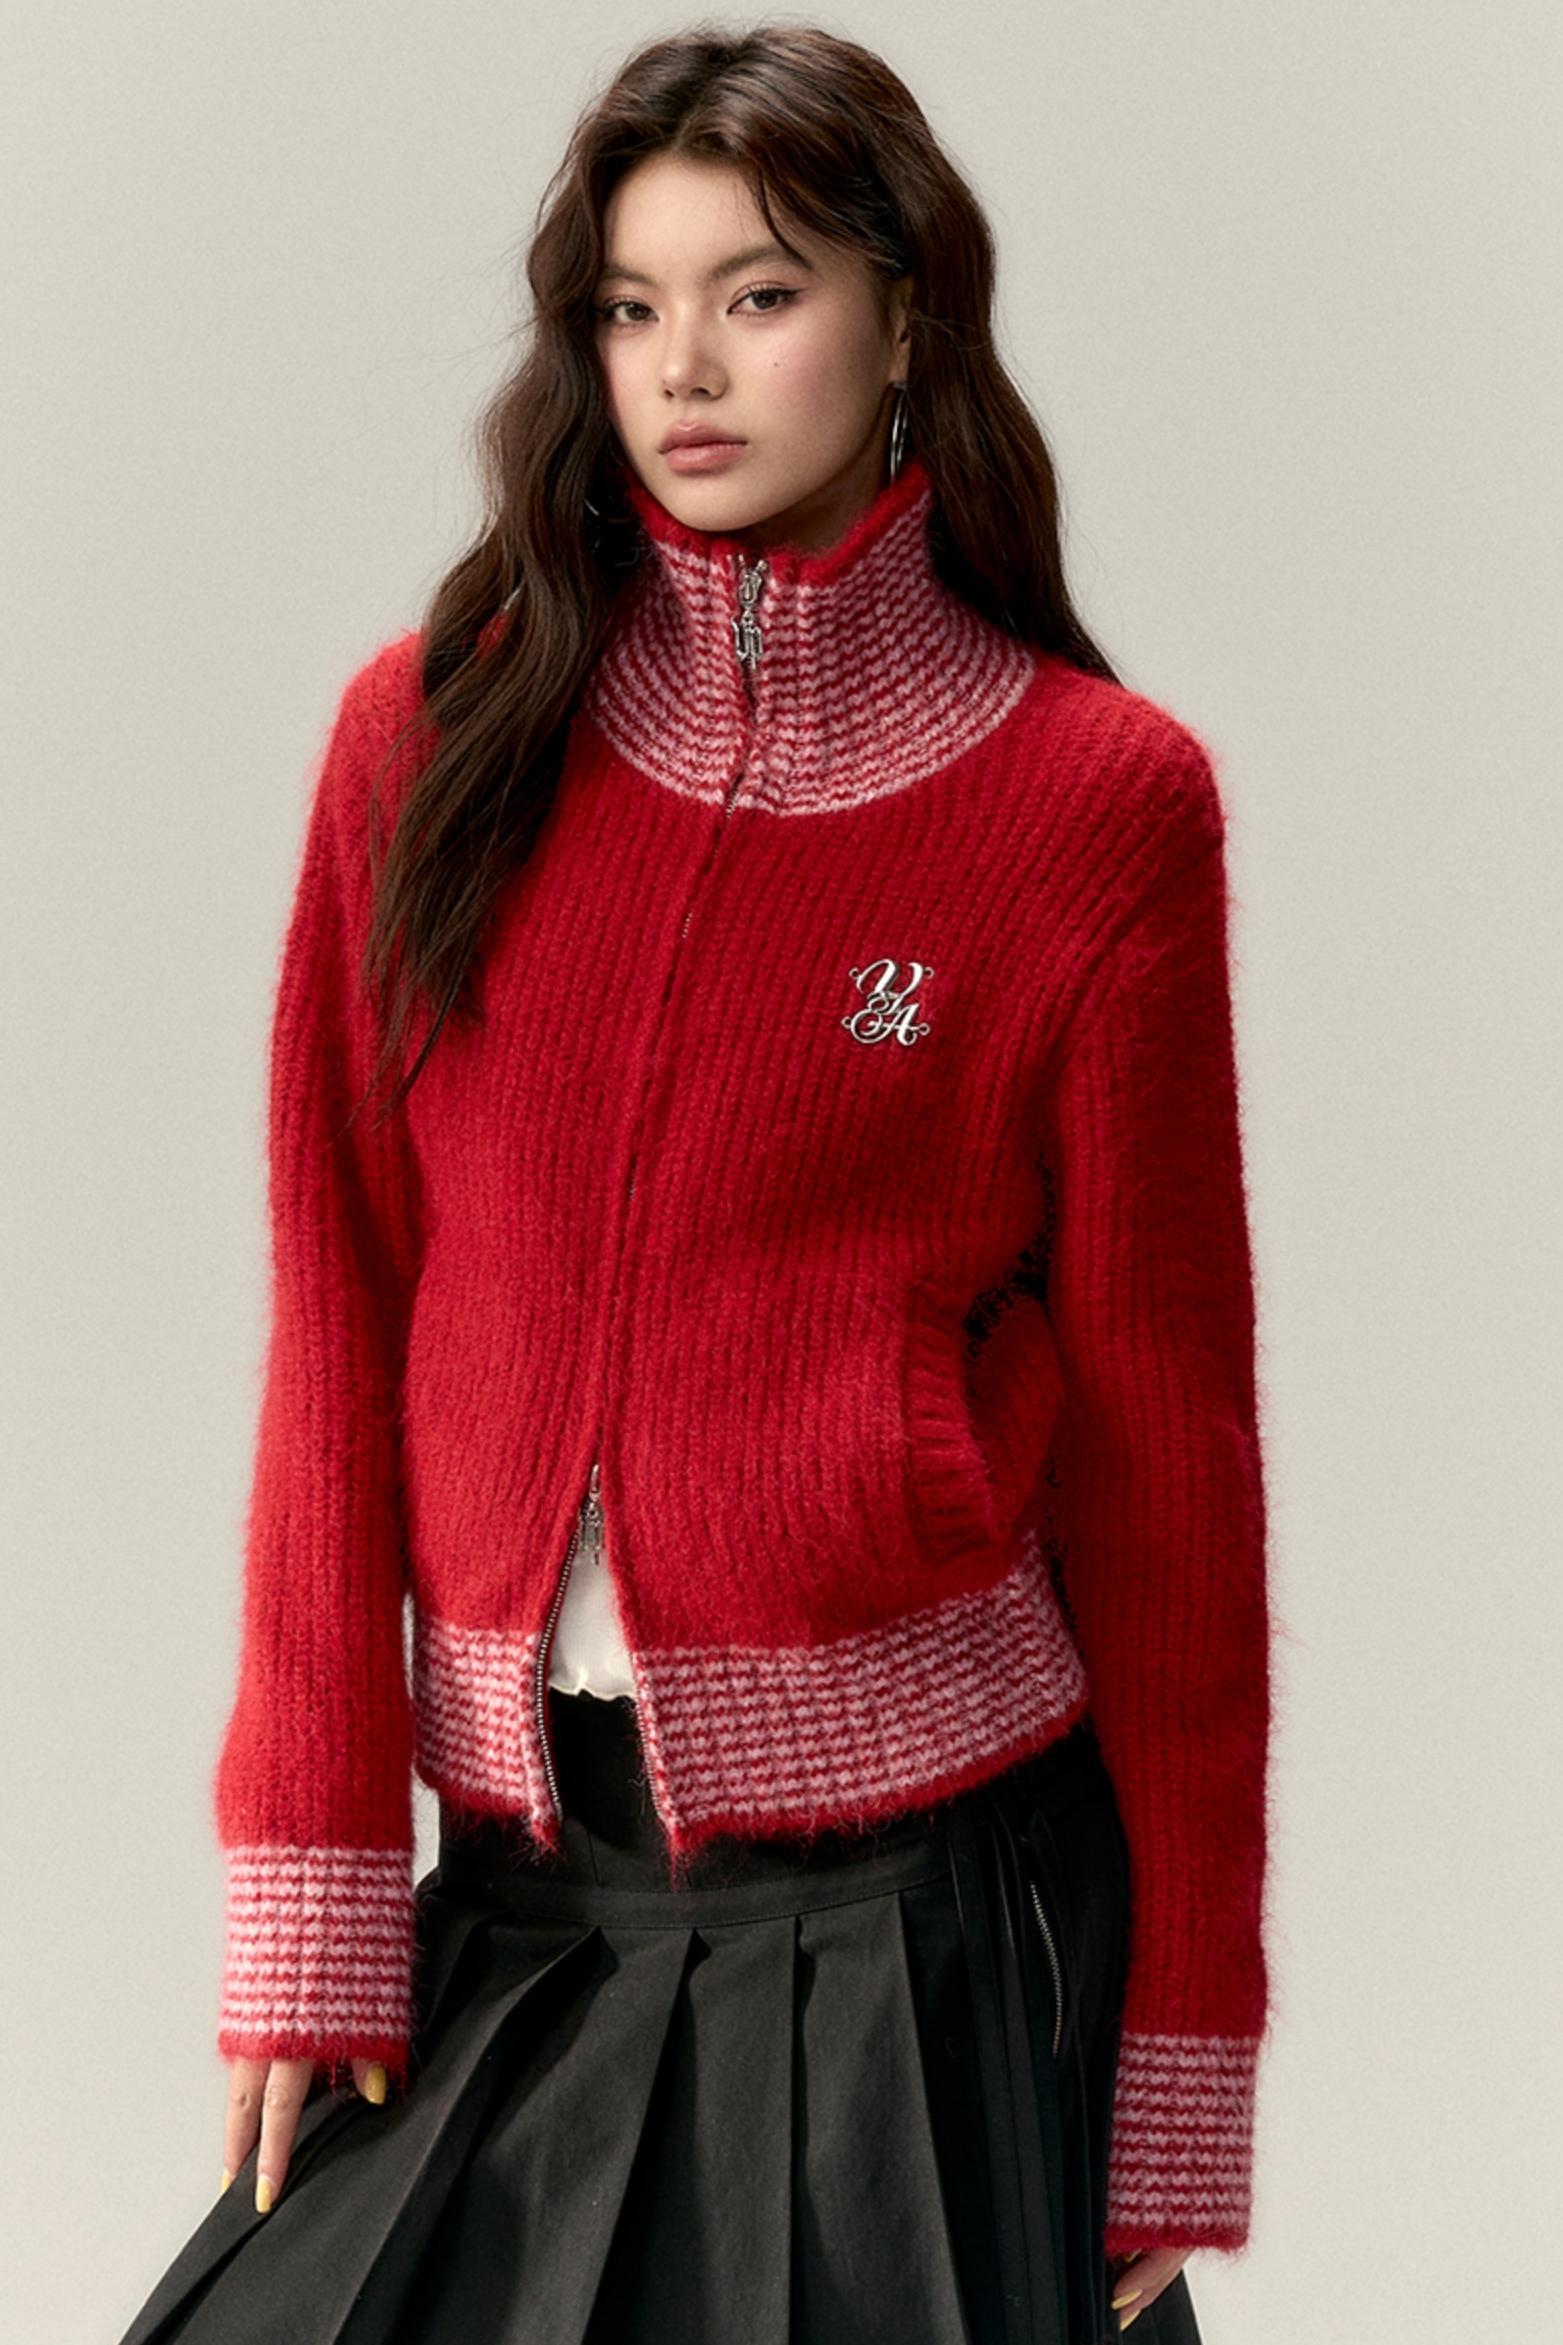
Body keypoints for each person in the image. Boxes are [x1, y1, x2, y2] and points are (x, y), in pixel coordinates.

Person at [117, 23, 1273, 2345]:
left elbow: (1169, 1471)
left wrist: (1179, 2068)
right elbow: (341, 1313)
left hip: (927, 1926)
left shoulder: (1092, 803)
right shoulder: (431, 737)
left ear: (903, 320)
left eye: (757, 294)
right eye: (630, 308)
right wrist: (310, 1877)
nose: (683, 367)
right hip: (531, 1884)